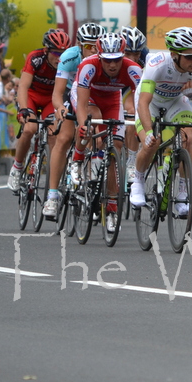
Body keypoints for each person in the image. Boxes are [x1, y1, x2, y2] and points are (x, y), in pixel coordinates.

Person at [129, 26, 192, 217]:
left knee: (186, 139)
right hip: (150, 103)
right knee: (151, 144)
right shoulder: (157, 65)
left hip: (176, 101)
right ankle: (138, 181)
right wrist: (149, 132)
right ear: (175, 55)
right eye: (189, 57)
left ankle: (183, 192)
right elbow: (143, 102)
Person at [64, 33, 142, 231]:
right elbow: (81, 104)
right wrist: (83, 126)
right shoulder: (88, 66)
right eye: (107, 61)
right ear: (99, 57)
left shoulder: (133, 69)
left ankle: (112, 209)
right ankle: (78, 159)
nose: (113, 65)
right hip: (88, 97)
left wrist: (142, 129)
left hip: (112, 99)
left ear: (123, 56)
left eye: (117, 60)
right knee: (89, 123)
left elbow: (141, 105)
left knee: (115, 148)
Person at [42, 22, 106, 218]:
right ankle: (52, 197)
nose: (93, 50)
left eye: (96, 45)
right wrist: (60, 107)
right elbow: (57, 93)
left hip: (95, 96)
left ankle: (91, 184)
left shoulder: (106, 59)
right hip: (71, 94)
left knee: (98, 137)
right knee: (64, 137)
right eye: (88, 46)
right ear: (79, 46)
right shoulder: (69, 57)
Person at [7, 29, 71, 191]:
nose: (60, 58)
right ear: (46, 50)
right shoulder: (35, 58)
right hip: (32, 96)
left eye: (63, 54)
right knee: (29, 129)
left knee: (53, 135)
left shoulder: (68, 62)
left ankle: (53, 180)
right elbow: (23, 86)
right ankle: (17, 167)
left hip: (52, 99)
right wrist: (23, 109)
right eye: (56, 53)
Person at [119, 25, 149, 182]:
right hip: (114, 84)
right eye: (127, 53)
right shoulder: (111, 53)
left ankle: (131, 161)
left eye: (136, 54)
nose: (132, 58)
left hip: (133, 84)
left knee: (132, 112)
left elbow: (143, 88)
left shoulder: (145, 56)